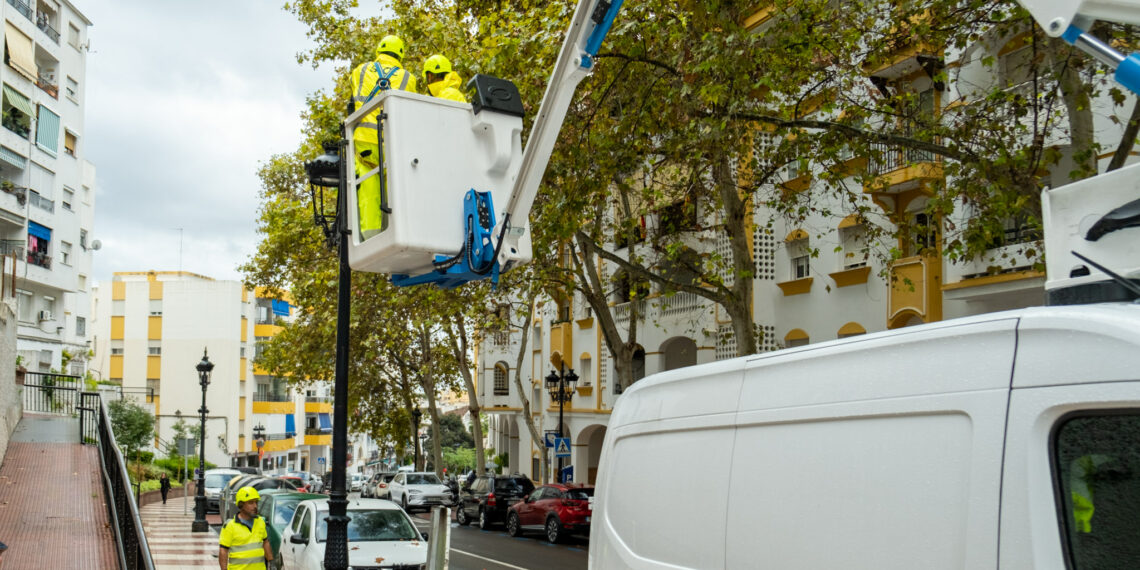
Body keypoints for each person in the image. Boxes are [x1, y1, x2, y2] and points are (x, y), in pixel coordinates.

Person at [350, 35, 417, 239]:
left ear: (379, 50)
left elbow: (354, 95)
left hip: (364, 142)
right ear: (400, 55)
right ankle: (396, 229)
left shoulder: (361, 70)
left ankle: (370, 235)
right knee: (393, 184)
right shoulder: (408, 78)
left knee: (367, 185)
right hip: (391, 143)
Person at [218, 486, 272, 570]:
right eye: (251, 502)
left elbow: (265, 542)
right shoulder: (230, 526)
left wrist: (271, 562)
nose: (255, 506)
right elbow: (223, 551)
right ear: (241, 505)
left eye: (256, 502)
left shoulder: (260, 522)